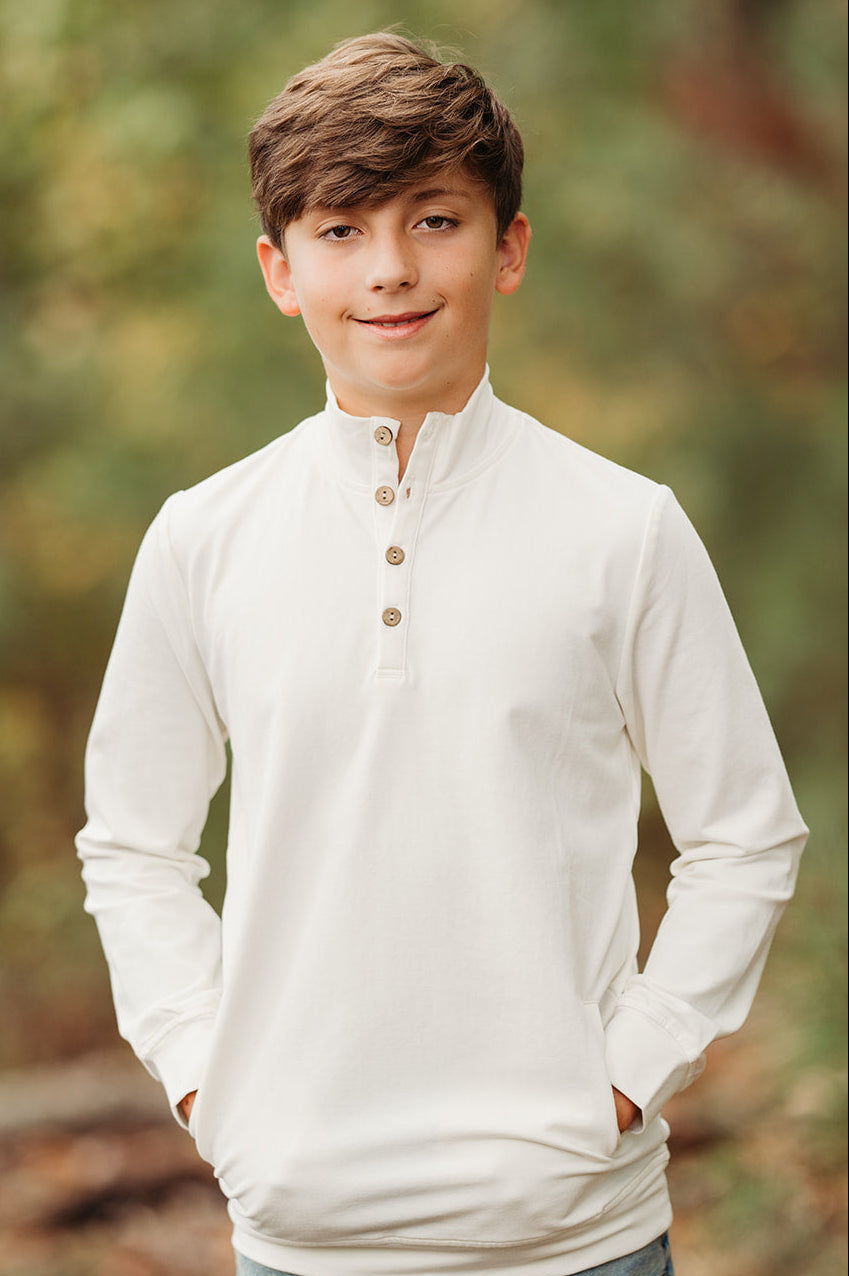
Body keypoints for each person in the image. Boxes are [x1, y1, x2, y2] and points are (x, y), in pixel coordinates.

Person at [76, 31, 808, 1276]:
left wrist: (624, 1082)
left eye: (435, 220)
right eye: (342, 231)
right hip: (302, 1235)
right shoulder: (202, 539)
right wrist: (212, 1085)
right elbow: (133, 846)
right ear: (278, 269)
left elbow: (745, 834)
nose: (392, 272)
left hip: (580, 1238)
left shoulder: (623, 529)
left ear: (508, 246)